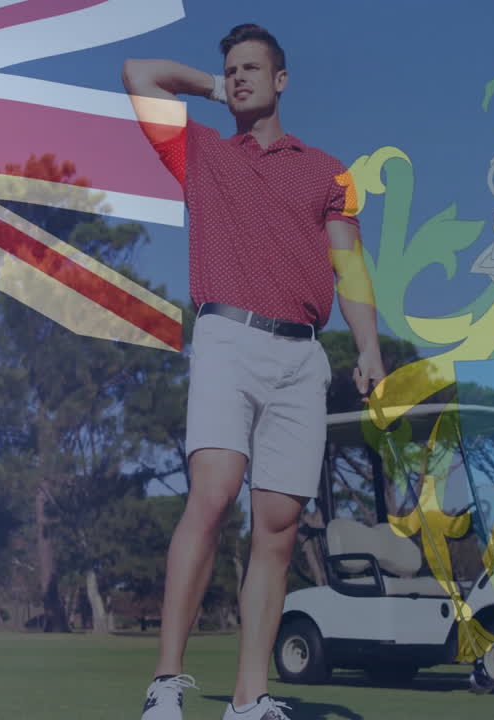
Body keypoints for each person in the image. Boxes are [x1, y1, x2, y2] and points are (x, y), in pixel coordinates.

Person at [122, 23, 386, 720]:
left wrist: (368, 347)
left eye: (251, 69)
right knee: (213, 494)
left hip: (302, 355)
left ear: (282, 80)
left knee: (278, 526)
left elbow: (350, 265)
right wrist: (213, 88)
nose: (239, 77)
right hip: (226, 338)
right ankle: (166, 685)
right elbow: (138, 73)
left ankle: (249, 699)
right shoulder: (200, 151)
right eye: (231, 69)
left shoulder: (328, 171)